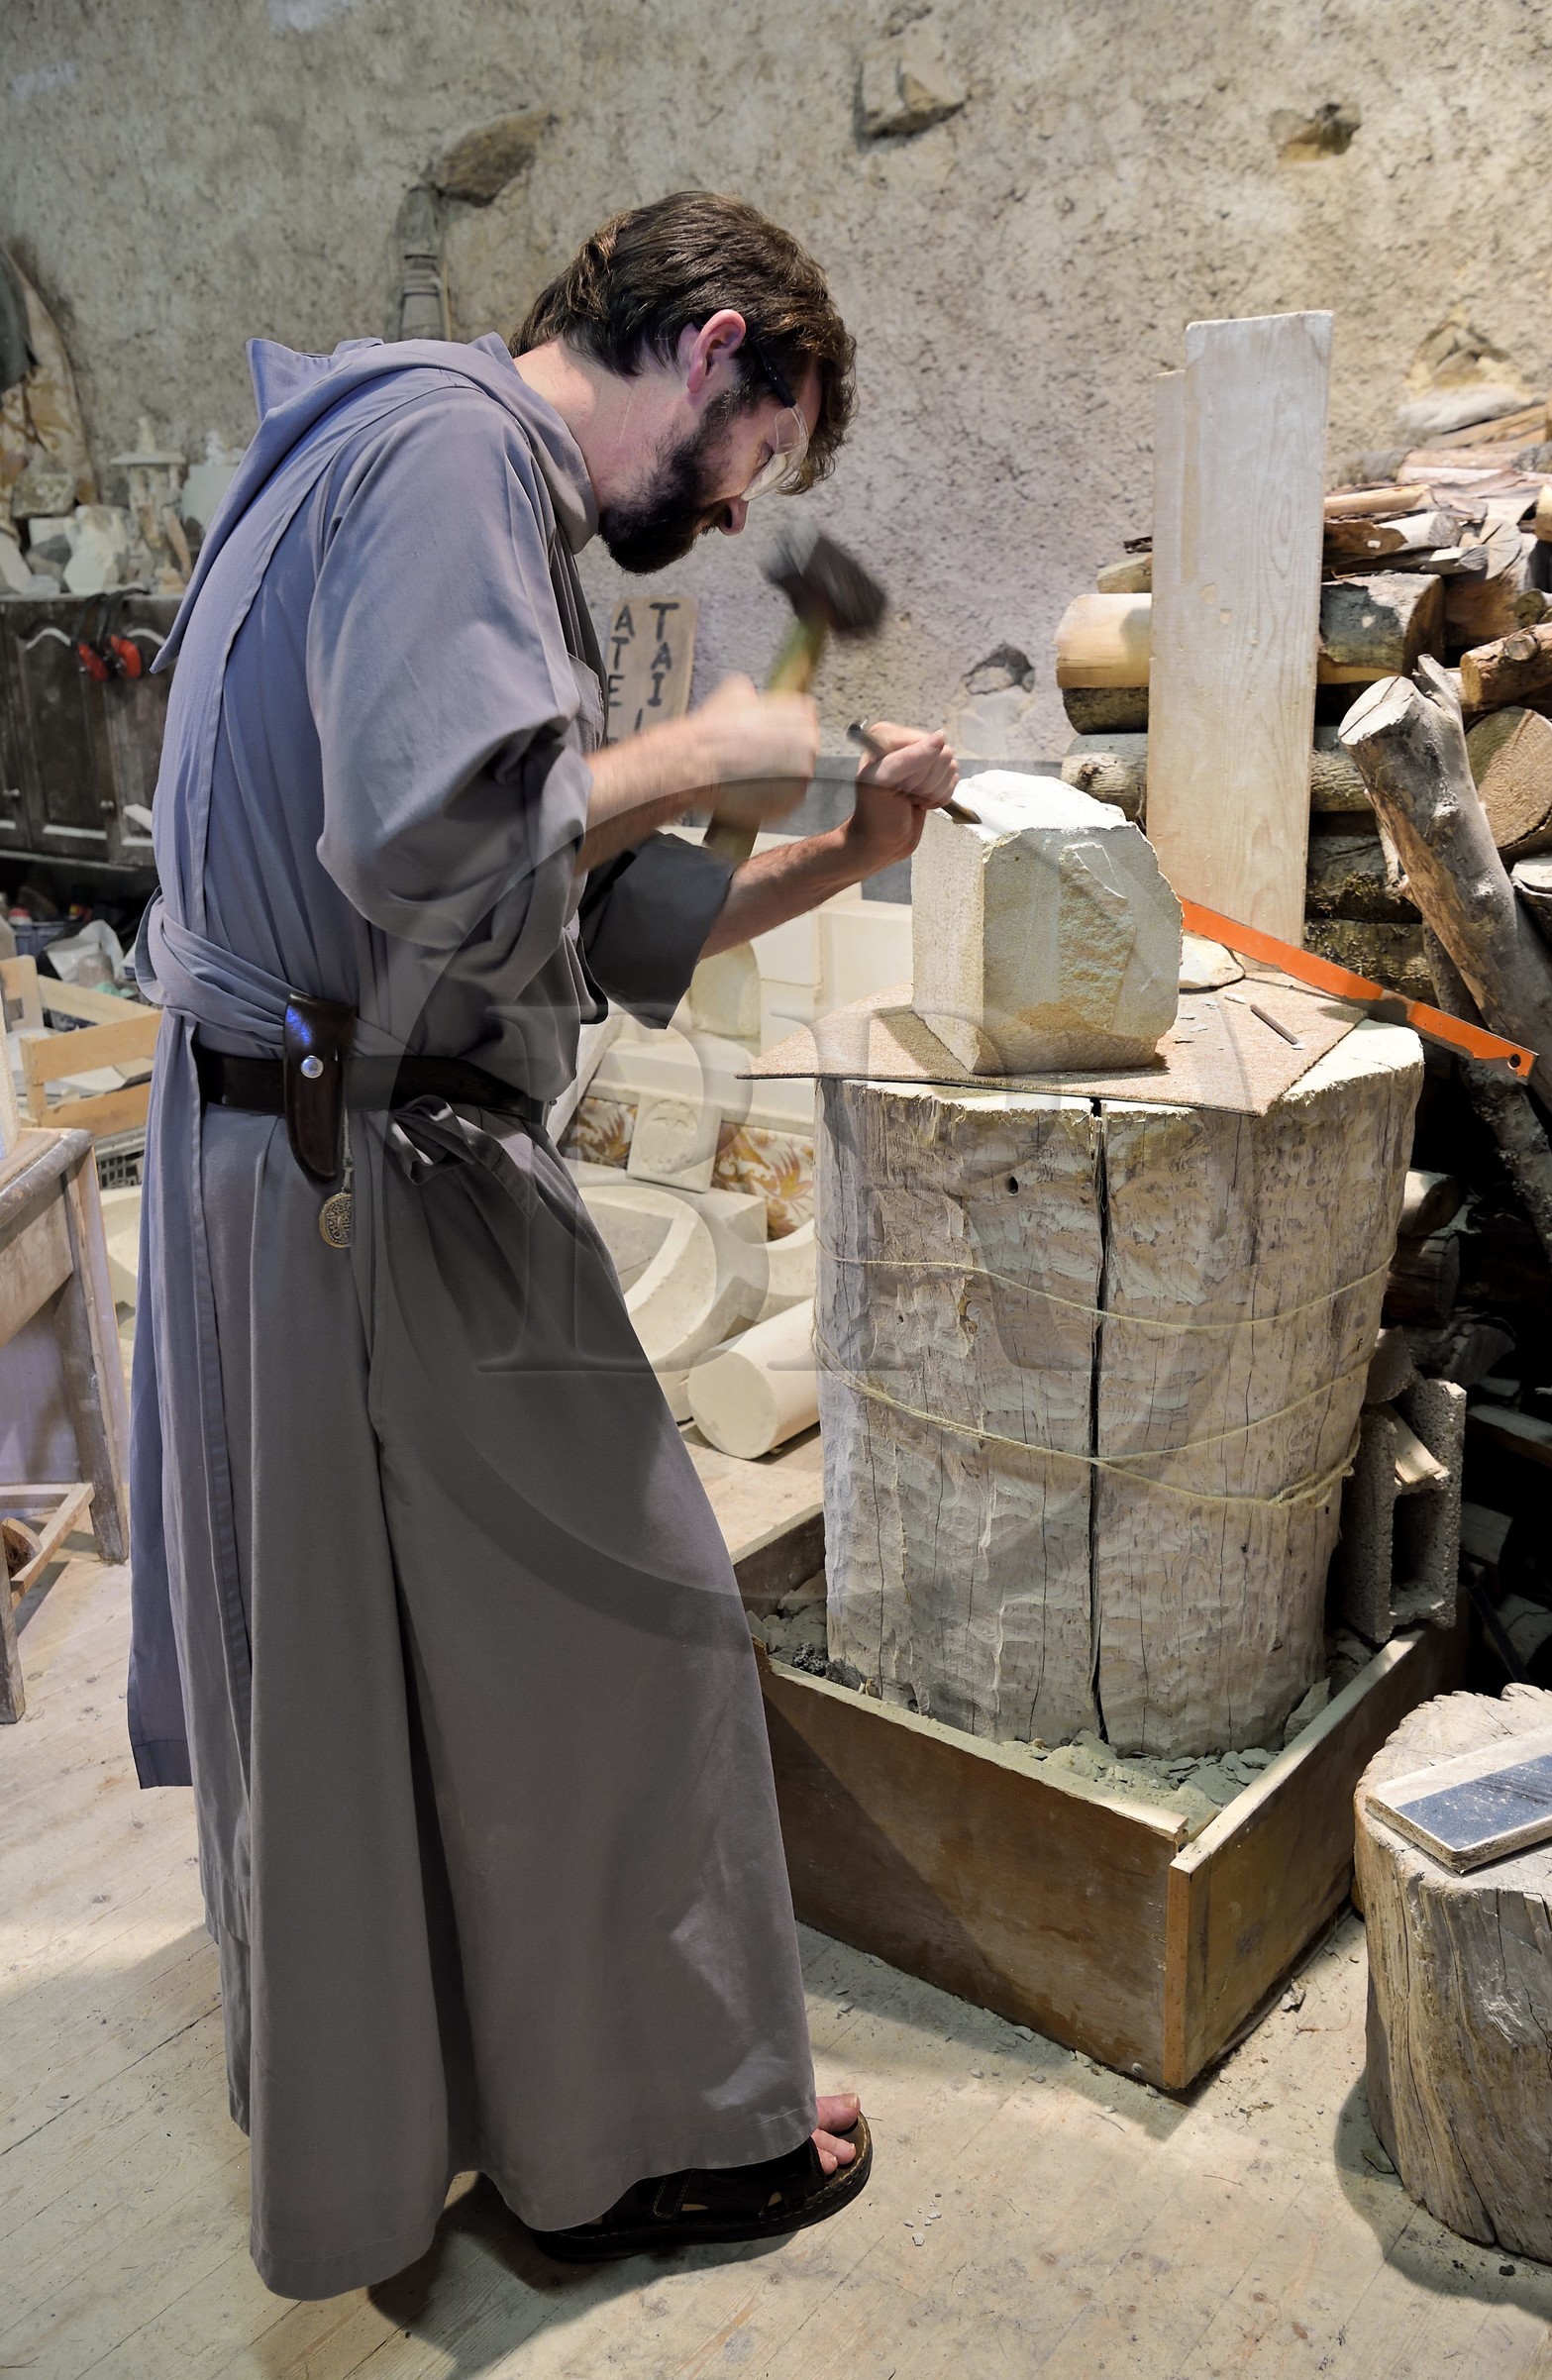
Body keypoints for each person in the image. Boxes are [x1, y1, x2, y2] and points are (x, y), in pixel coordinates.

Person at [127, 189, 958, 2297]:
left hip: (318, 1140)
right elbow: (425, 830)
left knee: (455, 1665)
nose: (747, 494)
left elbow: (557, 913)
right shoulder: (443, 462)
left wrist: (837, 852)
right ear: (718, 349)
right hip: (361, 1157)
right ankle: (645, 2140)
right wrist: (700, 747)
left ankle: (500, 2083)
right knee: (645, 1631)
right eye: (764, 445)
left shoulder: (403, 455)